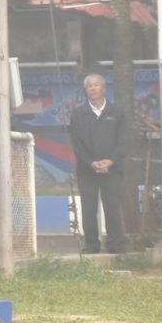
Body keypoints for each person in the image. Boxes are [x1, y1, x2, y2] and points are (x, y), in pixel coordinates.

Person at [68, 74, 131, 254]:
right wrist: (91, 163)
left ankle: (115, 245)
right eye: (89, 86)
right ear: (86, 90)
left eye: (96, 85)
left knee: (112, 207)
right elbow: (76, 143)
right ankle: (92, 245)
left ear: (104, 88)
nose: (93, 88)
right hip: (87, 170)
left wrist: (111, 161)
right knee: (89, 209)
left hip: (112, 169)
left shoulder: (116, 113)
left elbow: (124, 141)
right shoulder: (78, 113)